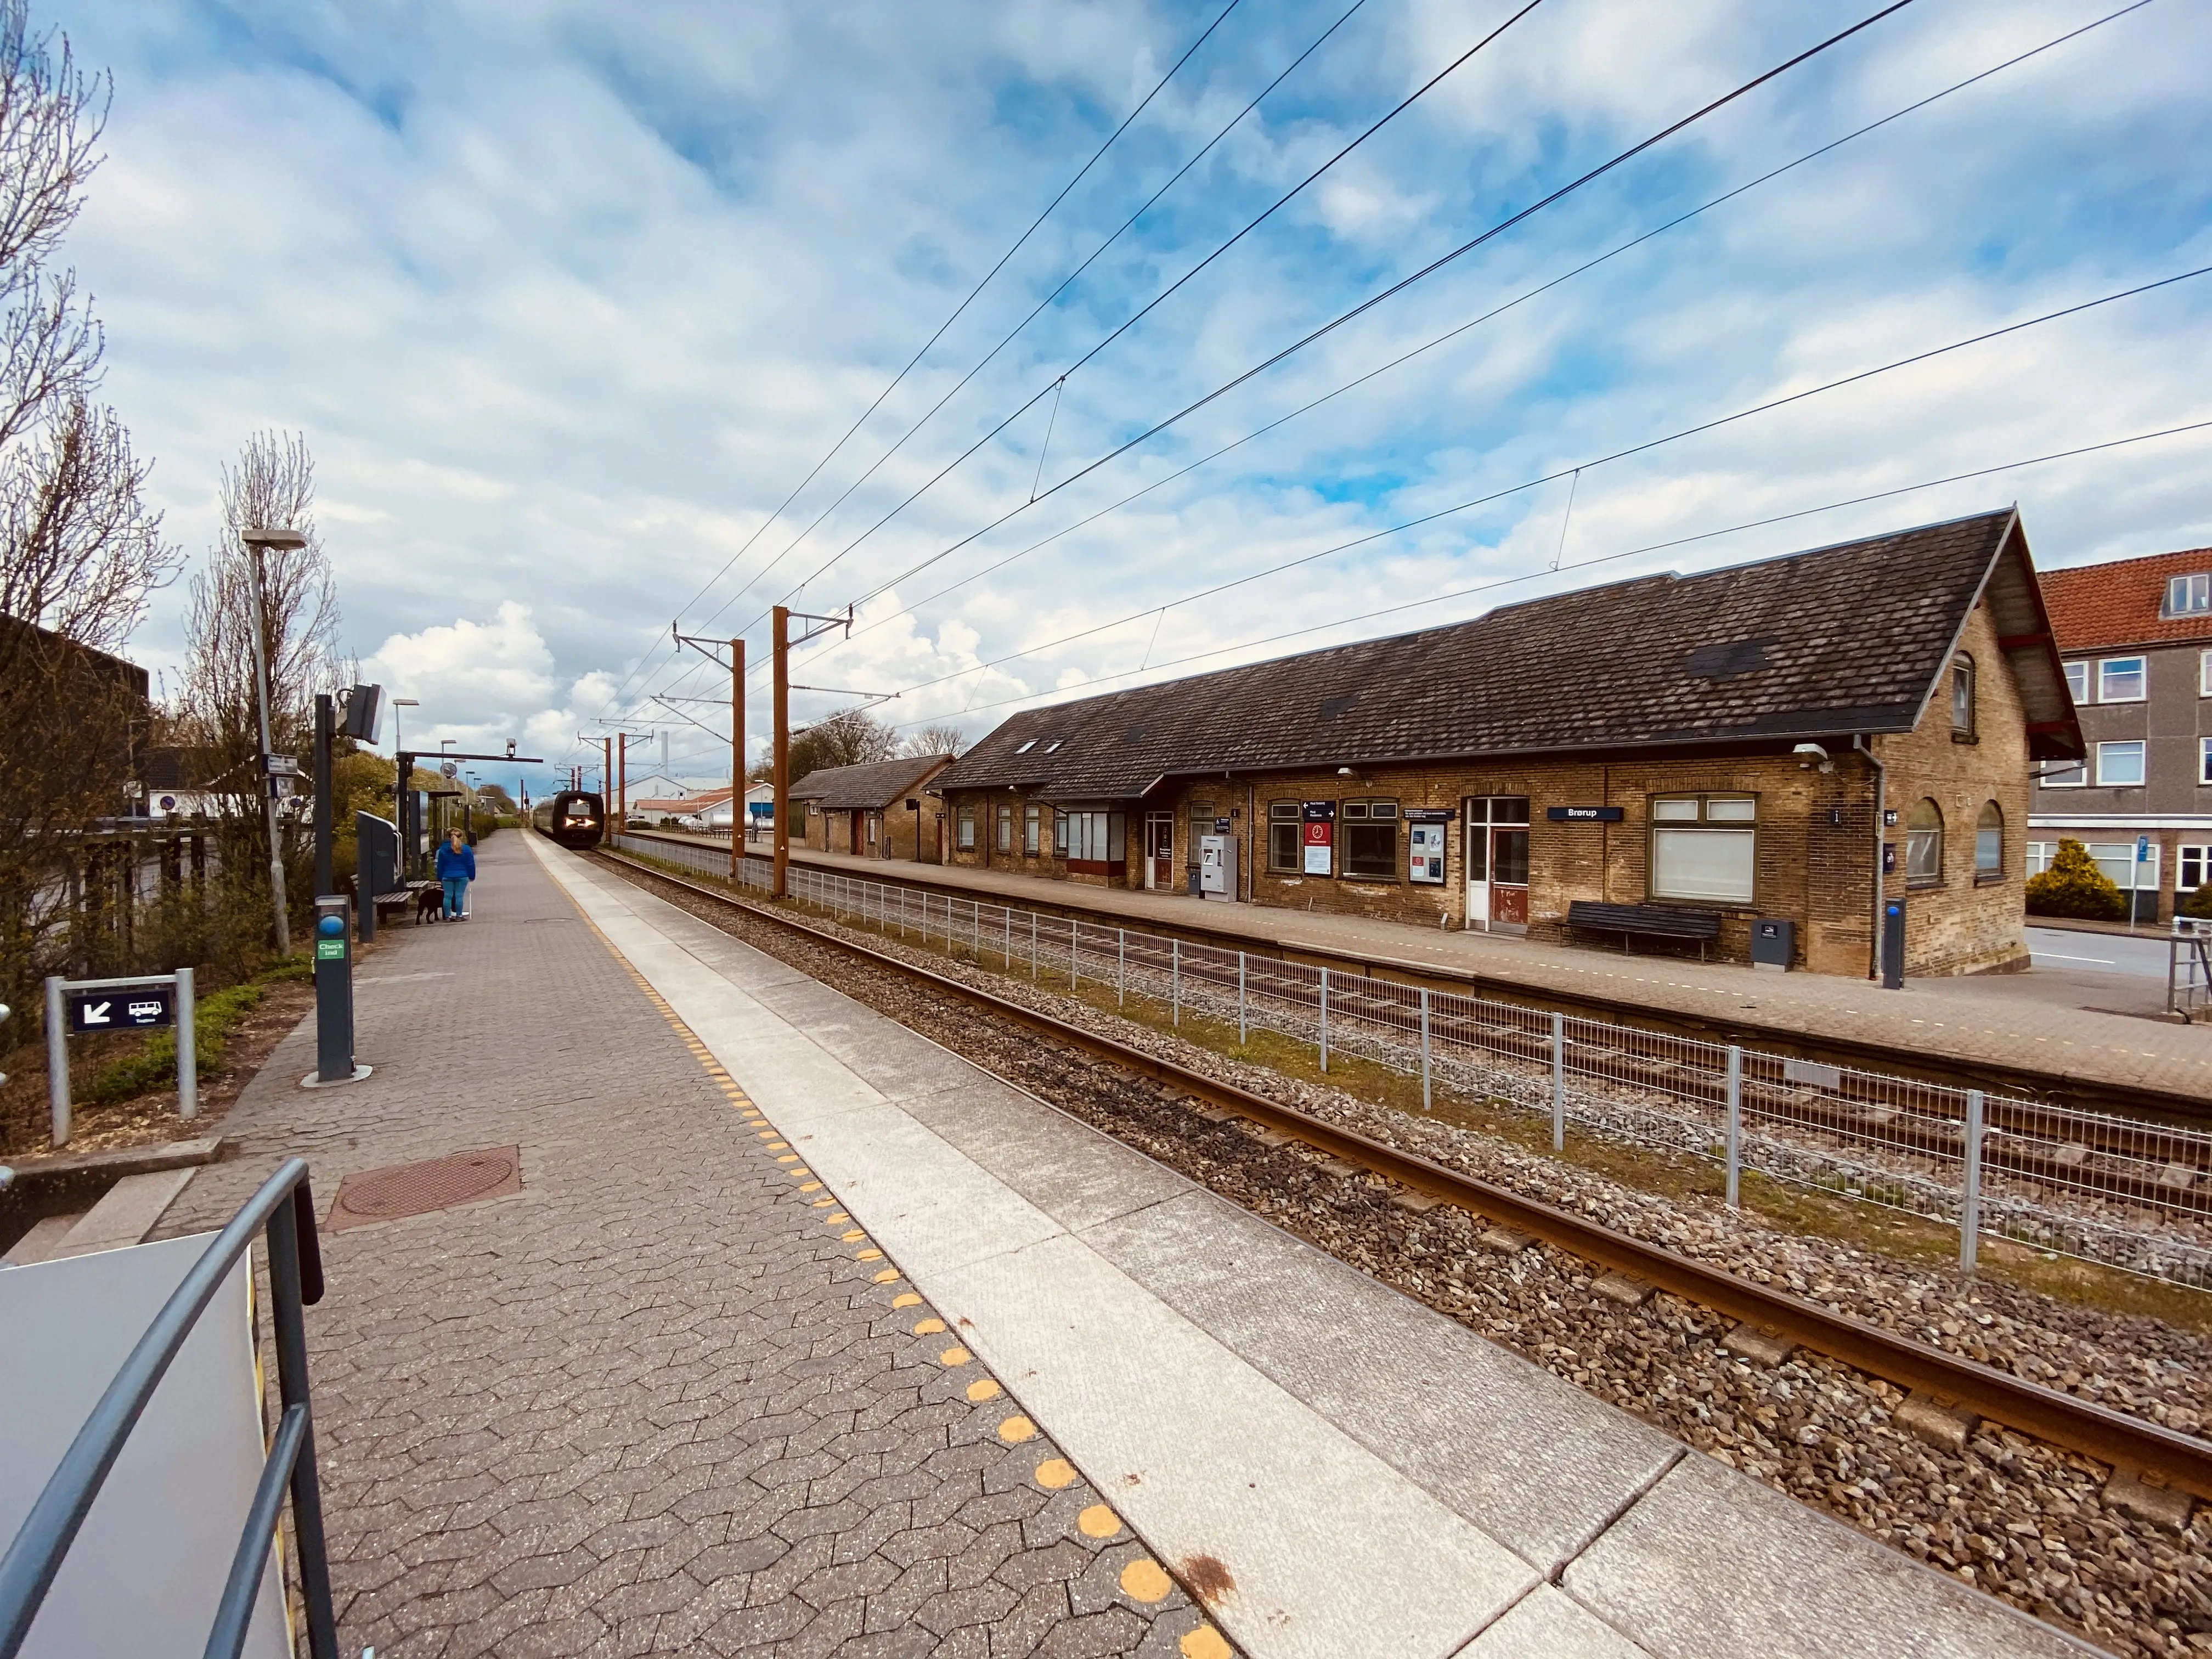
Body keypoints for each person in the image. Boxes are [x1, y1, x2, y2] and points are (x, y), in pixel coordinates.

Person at [435, 827, 476, 920]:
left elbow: (440, 865)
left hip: (447, 876)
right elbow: (470, 864)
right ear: (461, 838)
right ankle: (459, 916)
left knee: (448, 896)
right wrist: (472, 876)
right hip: (462, 876)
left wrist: (440, 877)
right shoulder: (466, 849)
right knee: (459, 895)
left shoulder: (443, 850)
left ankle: (448, 916)